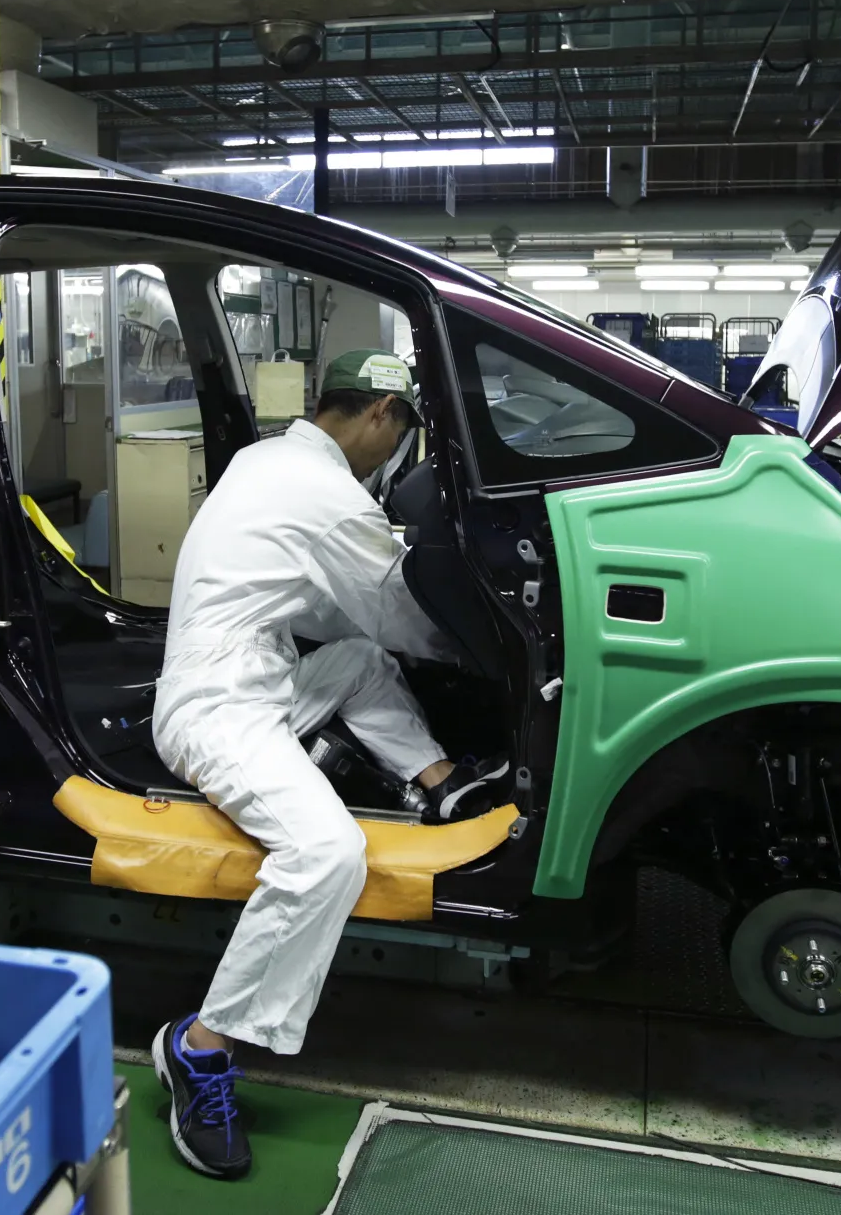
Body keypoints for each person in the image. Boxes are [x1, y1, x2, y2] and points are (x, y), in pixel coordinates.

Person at [148, 349, 511, 1180]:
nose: (394, 455)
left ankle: (439, 780)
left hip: (262, 676)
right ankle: (200, 1050)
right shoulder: (325, 490)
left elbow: (327, 605)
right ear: (381, 412)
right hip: (219, 711)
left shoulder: (265, 458)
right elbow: (398, 612)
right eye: (400, 433)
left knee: (352, 661)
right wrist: (503, 647)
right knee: (326, 854)